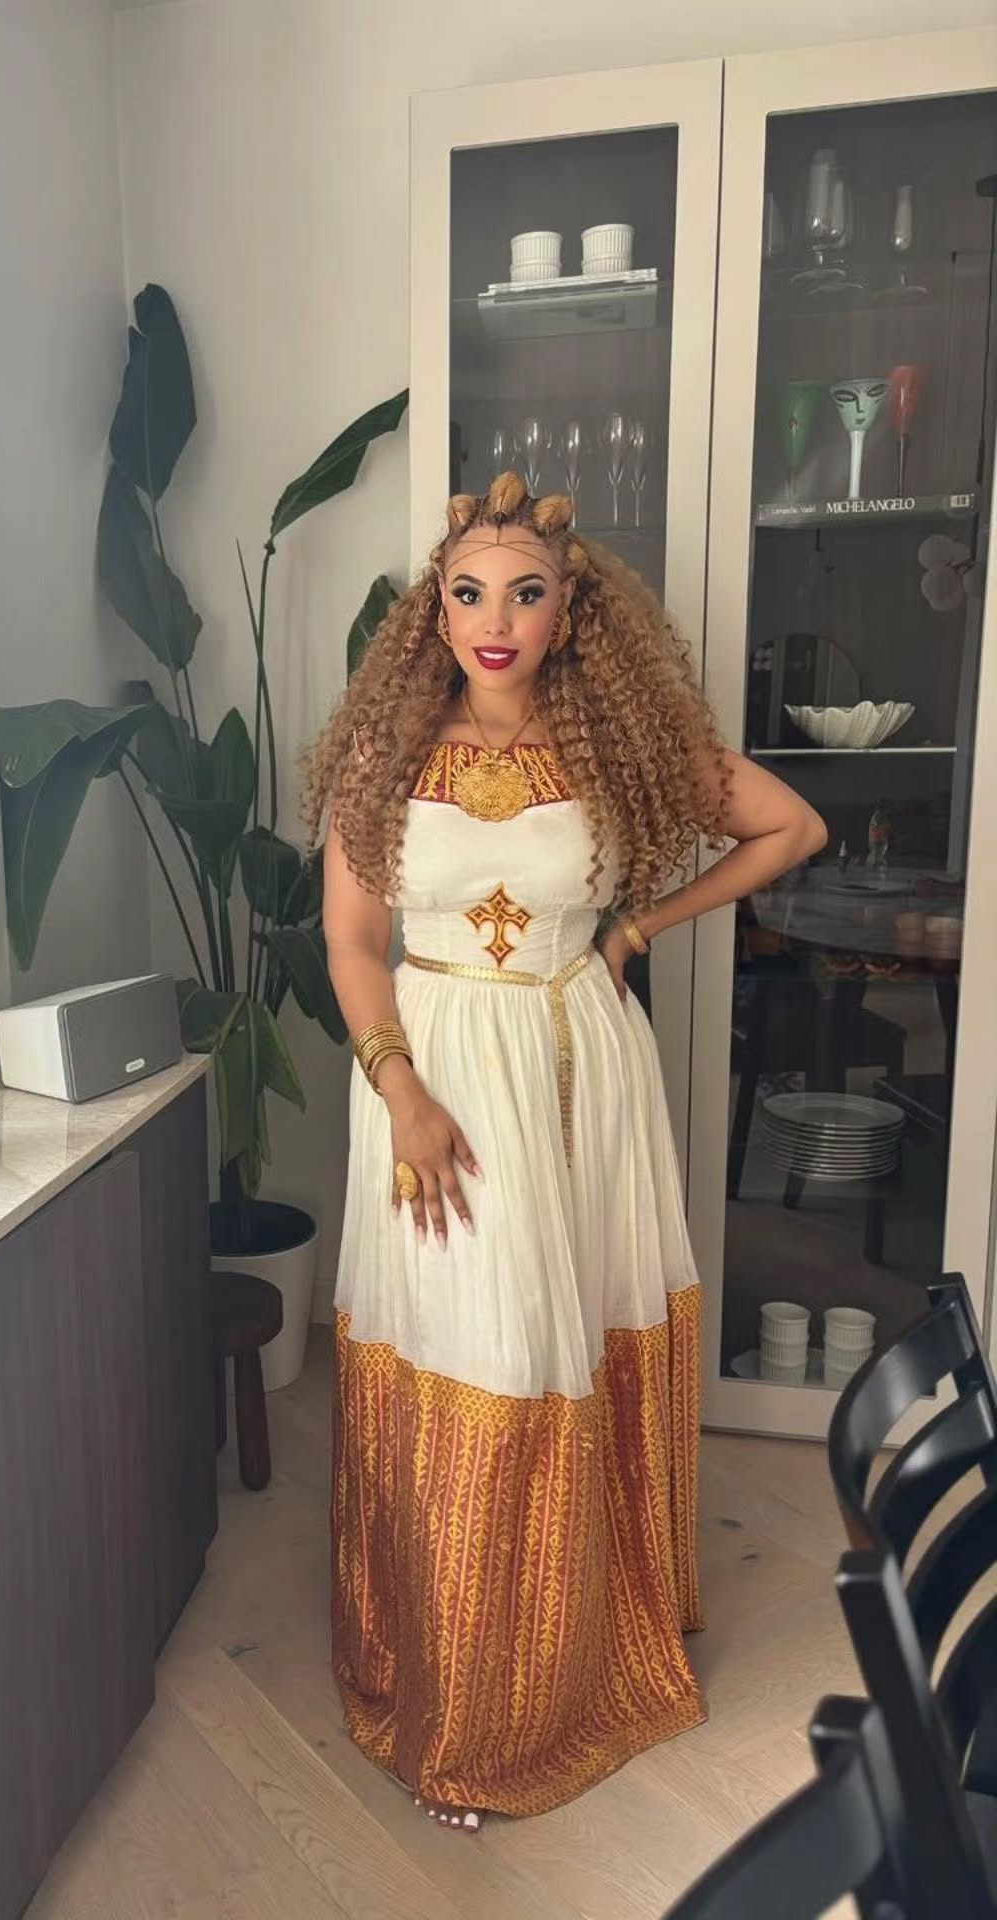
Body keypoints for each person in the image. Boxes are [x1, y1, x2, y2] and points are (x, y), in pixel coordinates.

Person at [302, 473, 824, 1832]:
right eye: (468, 592)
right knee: (468, 1343)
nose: (495, 621)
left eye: (525, 594)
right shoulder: (381, 760)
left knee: (554, 1338)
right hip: (427, 1077)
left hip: (573, 1067)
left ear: (569, 611)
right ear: (435, 612)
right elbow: (352, 942)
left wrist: (637, 929)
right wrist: (401, 1091)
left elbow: (793, 826)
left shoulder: (618, 747)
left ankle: (549, 1665)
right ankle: (455, 1679)